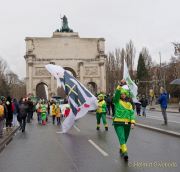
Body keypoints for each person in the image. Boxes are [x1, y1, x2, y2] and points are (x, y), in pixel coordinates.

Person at [113, 81, 135, 161]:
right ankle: (125, 152)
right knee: (122, 138)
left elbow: (132, 113)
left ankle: (122, 147)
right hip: (118, 123)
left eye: (124, 94)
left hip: (127, 124)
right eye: (121, 94)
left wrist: (132, 122)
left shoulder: (129, 104)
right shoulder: (117, 101)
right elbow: (117, 94)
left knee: (125, 138)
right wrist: (120, 85)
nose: (122, 95)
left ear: (126, 95)